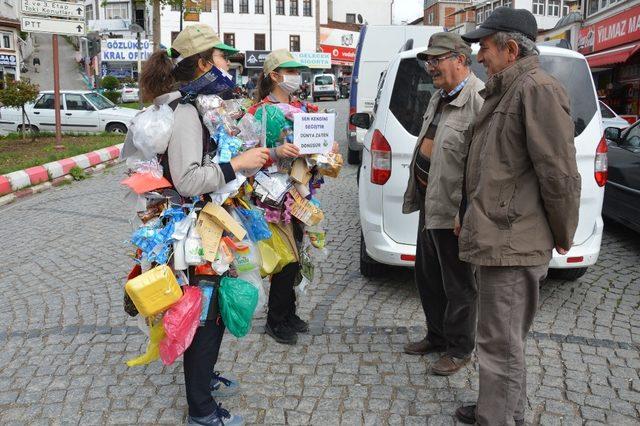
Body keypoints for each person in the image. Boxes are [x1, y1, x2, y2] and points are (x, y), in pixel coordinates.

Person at [134, 24, 270, 426]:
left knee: (208, 312)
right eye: (222, 56)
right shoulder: (188, 112)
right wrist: (237, 164)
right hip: (193, 235)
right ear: (203, 63)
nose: (227, 64)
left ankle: (203, 381)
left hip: (204, 227)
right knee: (206, 317)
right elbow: (188, 180)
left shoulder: (196, 106)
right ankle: (201, 411)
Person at [454, 8, 581, 424]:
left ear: (511, 49)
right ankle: (501, 408)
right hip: (499, 236)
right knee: (501, 340)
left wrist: (564, 232)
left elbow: (559, 173)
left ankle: (498, 417)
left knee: (500, 344)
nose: (477, 55)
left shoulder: (536, 90)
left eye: (484, 47)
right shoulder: (507, 89)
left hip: (513, 242)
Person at [401, 32, 483, 376]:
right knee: (428, 277)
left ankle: (460, 348)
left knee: (459, 284)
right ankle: (436, 336)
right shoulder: (439, 97)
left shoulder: (479, 99)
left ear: (461, 60)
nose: (431, 66)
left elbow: (482, 166)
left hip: (455, 213)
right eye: (429, 60)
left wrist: (467, 212)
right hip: (430, 205)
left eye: (437, 59)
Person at [247, 49, 309, 345]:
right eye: (291, 70)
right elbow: (247, 155)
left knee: (298, 253)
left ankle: (290, 311)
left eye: (297, 70)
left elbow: (312, 149)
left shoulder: (301, 107)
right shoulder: (260, 113)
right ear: (275, 75)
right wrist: (275, 153)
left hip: (300, 192)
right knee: (284, 258)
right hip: (273, 195)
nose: (296, 75)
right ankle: (276, 319)